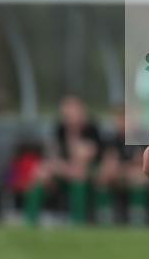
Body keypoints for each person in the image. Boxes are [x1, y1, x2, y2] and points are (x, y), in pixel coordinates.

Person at [24, 95, 102, 225]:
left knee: (79, 174)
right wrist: (60, 167)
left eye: (73, 110)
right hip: (64, 169)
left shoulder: (91, 129)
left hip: (89, 171)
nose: (69, 115)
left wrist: (74, 133)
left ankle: (78, 221)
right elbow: (52, 155)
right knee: (41, 173)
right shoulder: (59, 128)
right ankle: (30, 221)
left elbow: (84, 157)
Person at [97, 105, 149, 225]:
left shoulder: (142, 137)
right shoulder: (113, 139)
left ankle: (138, 215)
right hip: (120, 174)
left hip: (140, 174)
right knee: (105, 173)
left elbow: (141, 163)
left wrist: (122, 167)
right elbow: (109, 160)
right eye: (120, 119)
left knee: (137, 175)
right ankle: (105, 214)